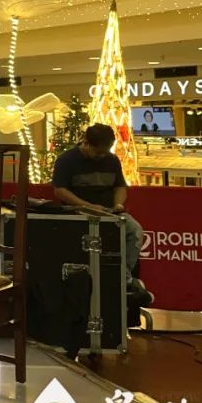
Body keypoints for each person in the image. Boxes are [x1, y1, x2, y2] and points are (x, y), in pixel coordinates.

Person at [51, 123, 151, 301]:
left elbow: (120, 187)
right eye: (98, 152)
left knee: (134, 230)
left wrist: (118, 204)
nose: (103, 156)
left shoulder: (112, 161)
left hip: (109, 212)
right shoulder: (66, 160)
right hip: (78, 214)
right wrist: (87, 206)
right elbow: (60, 191)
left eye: (106, 151)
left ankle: (123, 276)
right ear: (86, 143)